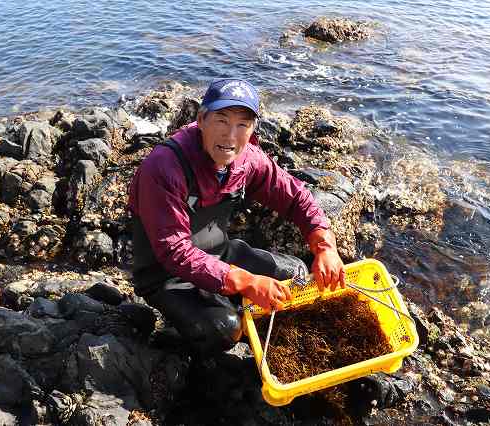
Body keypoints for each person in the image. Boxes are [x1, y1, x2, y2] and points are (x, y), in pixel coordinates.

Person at [128, 78, 346, 357]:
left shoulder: (248, 160)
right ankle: (174, 341)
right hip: (167, 276)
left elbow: (296, 197)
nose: (230, 135)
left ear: (253, 129)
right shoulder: (165, 167)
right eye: (221, 120)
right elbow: (175, 252)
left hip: (221, 254)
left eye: (242, 124)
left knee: (298, 278)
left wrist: (326, 246)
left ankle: (232, 300)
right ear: (201, 119)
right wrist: (246, 282)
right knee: (225, 329)